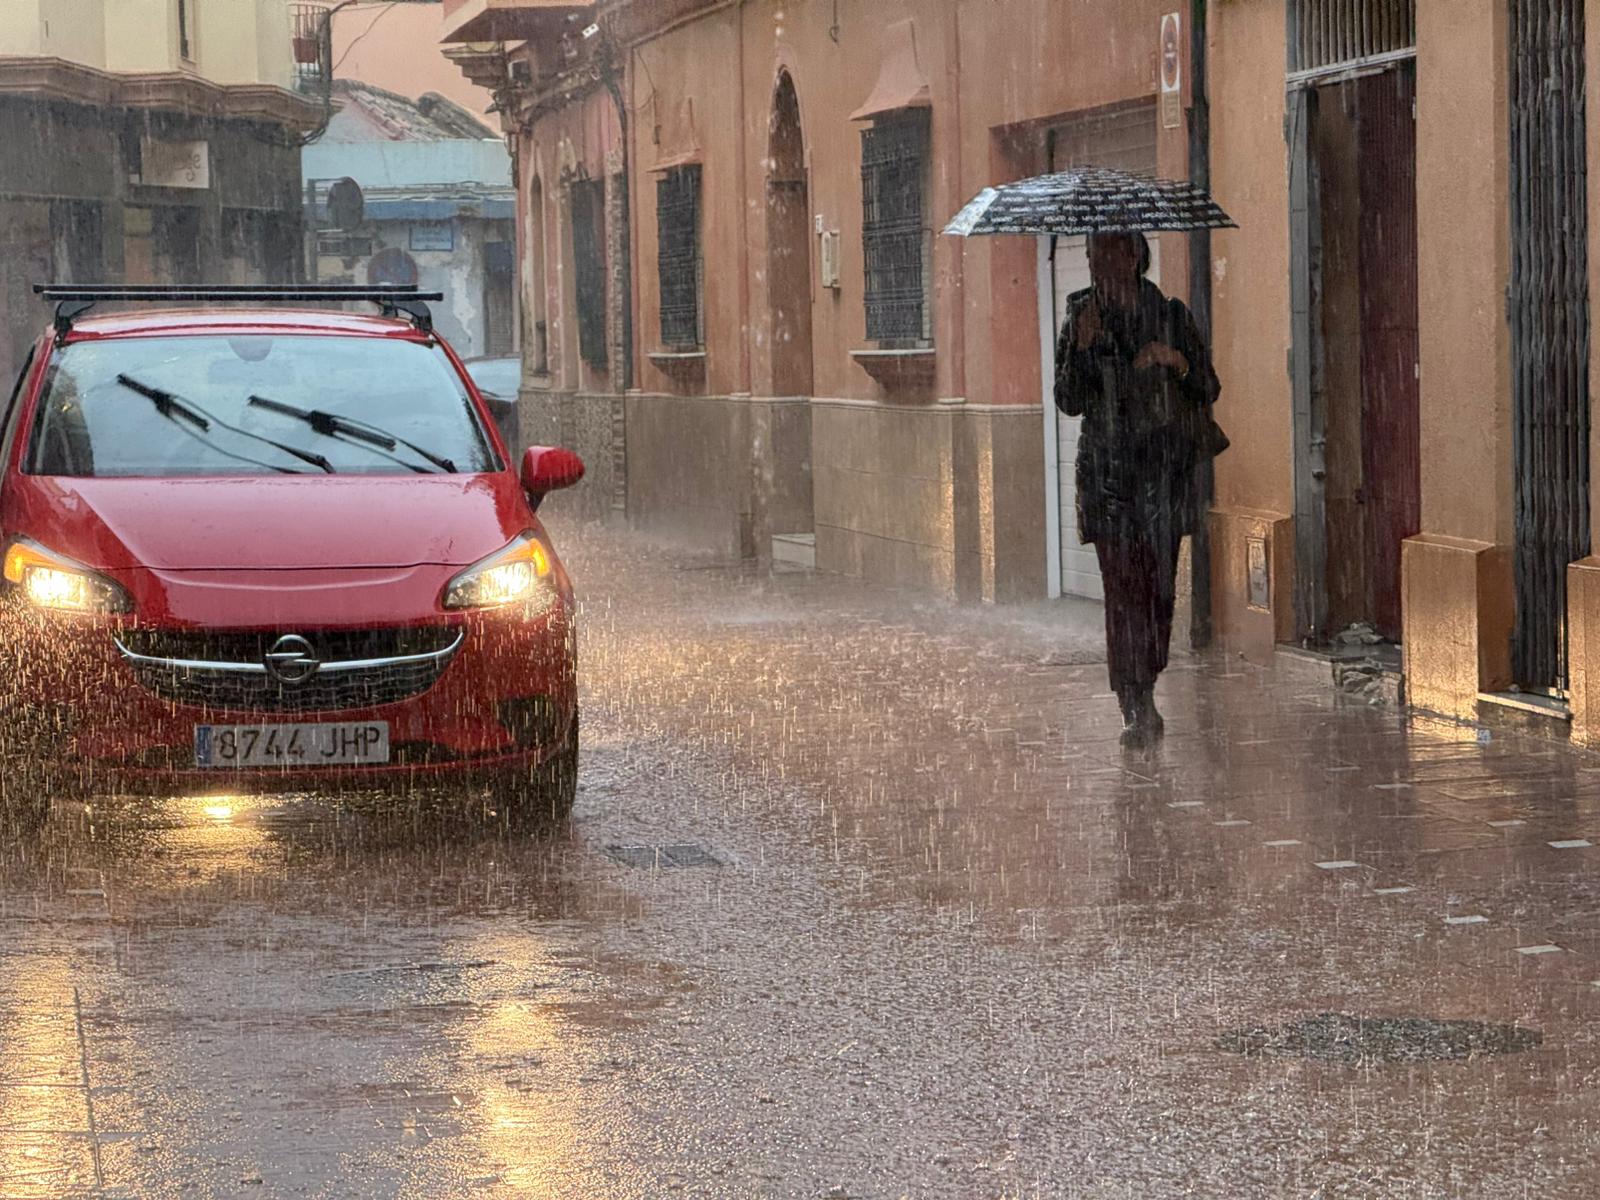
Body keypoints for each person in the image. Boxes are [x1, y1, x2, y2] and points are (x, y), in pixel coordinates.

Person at [1054, 231, 1227, 747]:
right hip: (1107, 479)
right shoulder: (1081, 318)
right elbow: (1068, 400)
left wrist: (1175, 360)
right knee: (1122, 594)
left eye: (1105, 254)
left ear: (1133, 256)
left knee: (1157, 593)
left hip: (1162, 476)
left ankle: (1147, 674)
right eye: (1090, 256)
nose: (1096, 266)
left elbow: (1209, 386)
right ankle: (1133, 702)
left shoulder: (1171, 314)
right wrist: (1080, 350)